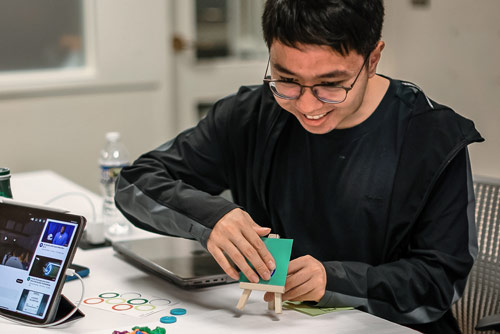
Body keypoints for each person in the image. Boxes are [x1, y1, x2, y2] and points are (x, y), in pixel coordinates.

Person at [115, 1, 484, 333]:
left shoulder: (431, 138)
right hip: (271, 324)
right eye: (287, 80)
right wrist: (211, 218)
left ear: (373, 59)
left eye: (331, 85)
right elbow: (135, 183)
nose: (307, 105)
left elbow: (439, 283)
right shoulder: (251, 115)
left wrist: (333, 280)